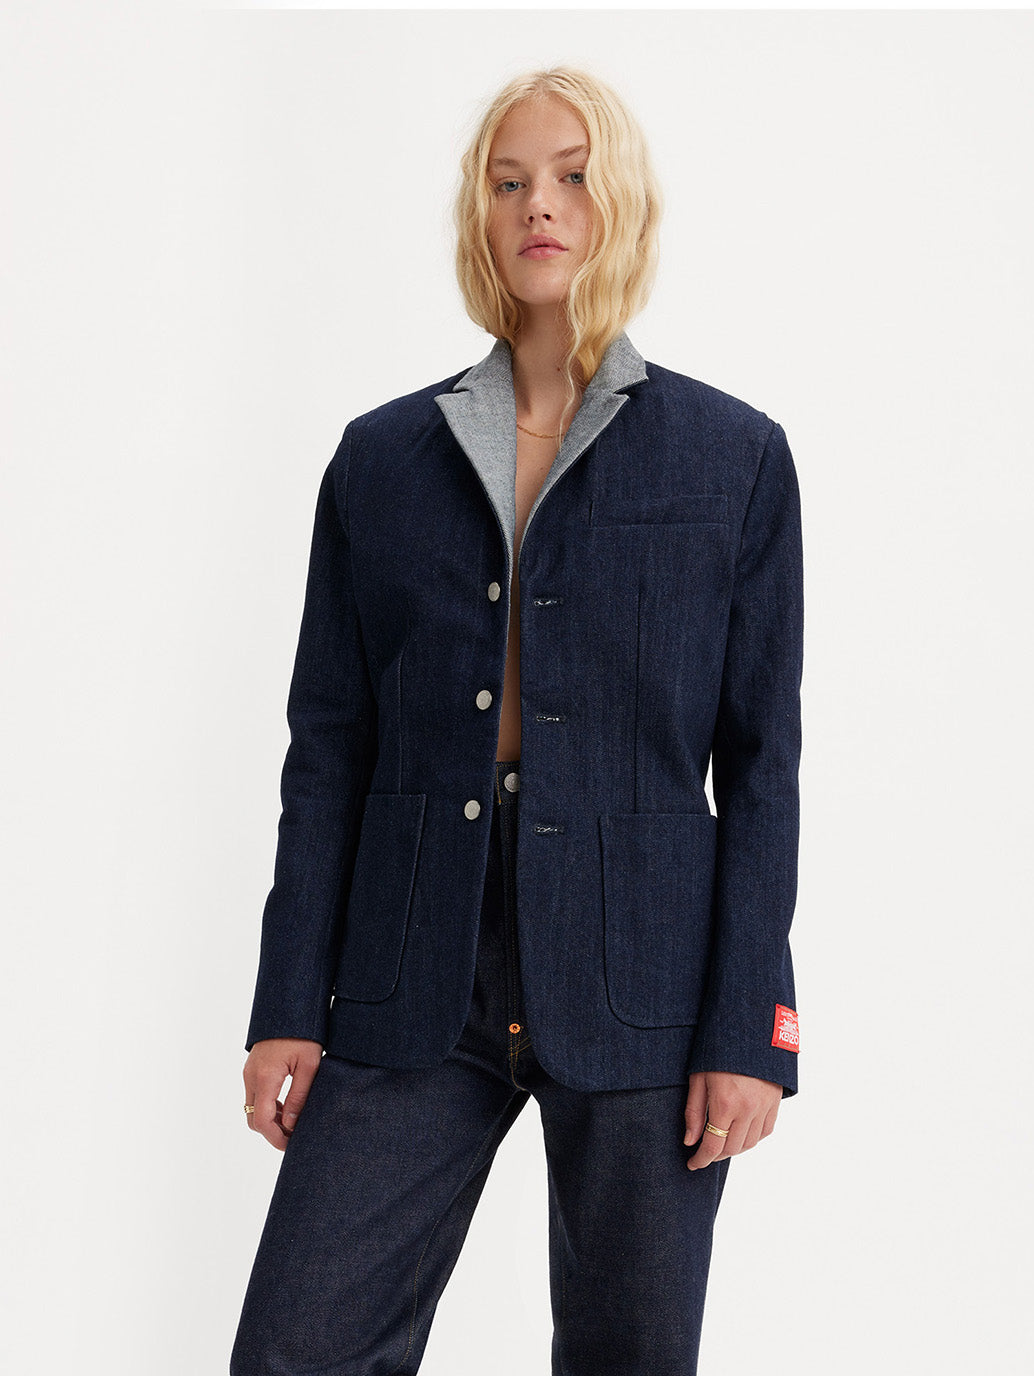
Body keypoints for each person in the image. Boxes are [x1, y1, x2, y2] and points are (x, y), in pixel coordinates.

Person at [230, 65, 804, 1376]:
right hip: (413, 961)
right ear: (478, 217)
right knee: (296, 1347)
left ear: (622, 203)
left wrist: (750, 1028)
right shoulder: (382, 461)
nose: (537, 204)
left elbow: (761, 764)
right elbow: (330, 751)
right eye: (507, 182)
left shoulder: (732, 458)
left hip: (645, 976)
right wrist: (285, 1004)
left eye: (571, 176)